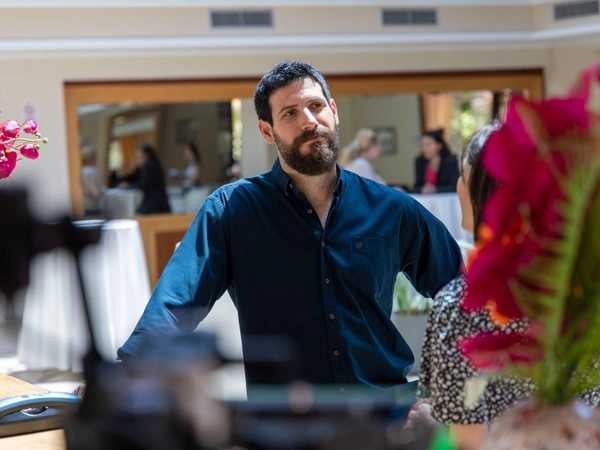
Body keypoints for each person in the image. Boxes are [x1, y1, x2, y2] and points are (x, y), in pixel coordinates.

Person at [117, 60, 462, 393]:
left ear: (334, 111)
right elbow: (173, 307)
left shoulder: (392, 209)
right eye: (290, 113)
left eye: (316, 106)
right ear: (267, 131)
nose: (309, 121)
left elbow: (462, 295)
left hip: (381, 412)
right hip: (284, 420)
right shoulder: (230, 212)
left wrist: (442, 394)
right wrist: (129, 379)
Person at [413, 125, 600, 450]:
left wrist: (428, 421)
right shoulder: (581, 295)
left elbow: (466, 439)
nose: (458, 185)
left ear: (483, 193)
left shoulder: (462, 304)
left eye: (464, 176)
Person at [118, 144, 171, 214]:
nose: (137, 160)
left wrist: (128, 186)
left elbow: (143, 184)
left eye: (139, 157)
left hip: (155, 204)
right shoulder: (151, 166)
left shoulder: (151, 167)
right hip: (156, 203)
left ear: (146, 155)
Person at [413, 129, 459, 194]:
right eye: (422, 145)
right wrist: (421, 189)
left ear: (439, 146)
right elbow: (416, 187)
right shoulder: (420, 161)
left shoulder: (450, 160)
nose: (424, 148)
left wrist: (436, 189)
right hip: (425, 199)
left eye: (428, 144)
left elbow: (455, 186)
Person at [81, 148, 105, 217]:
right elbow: (95, 192)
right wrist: (103, 190)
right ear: (89, 159)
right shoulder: (91, 171)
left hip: (83, 205)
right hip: (92, 206)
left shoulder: (81, 170)